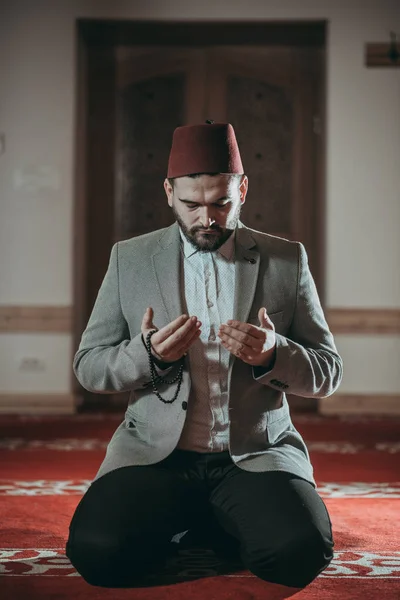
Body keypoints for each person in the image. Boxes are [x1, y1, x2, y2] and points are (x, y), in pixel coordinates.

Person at [66, 121, 343, 593]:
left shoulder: (286, 260)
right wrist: (147, 355)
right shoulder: (128, 259)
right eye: (191, 205)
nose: (206, 219)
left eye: (221, 203)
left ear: (243, 189)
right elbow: (89, 367)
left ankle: (209, 521)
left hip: (254, 454)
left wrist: (274, 353)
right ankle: (208, 522)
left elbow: (328, 373)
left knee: (299, 553)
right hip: (157, 458)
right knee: (97, 554)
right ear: (169, 192)